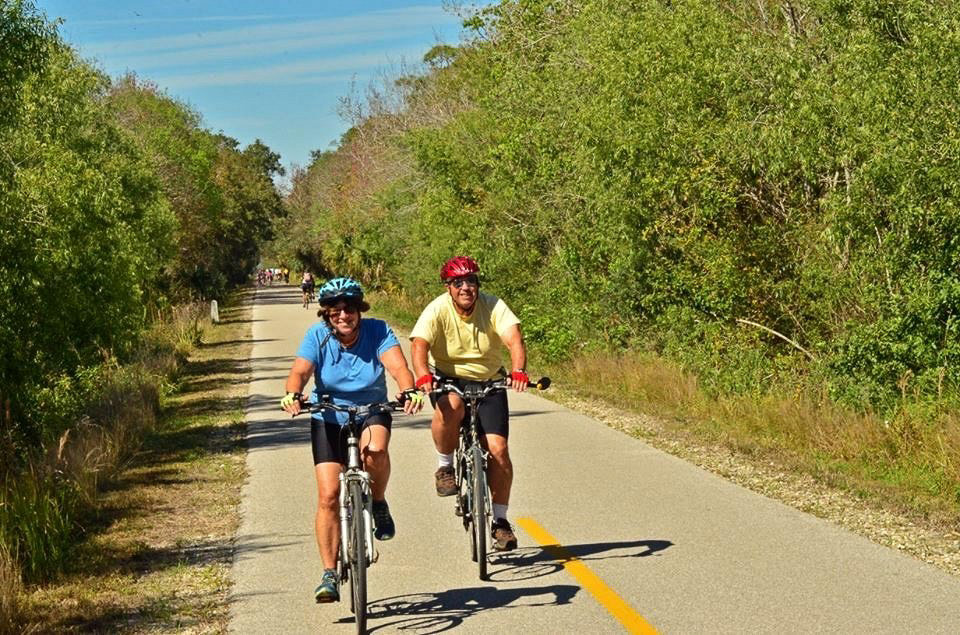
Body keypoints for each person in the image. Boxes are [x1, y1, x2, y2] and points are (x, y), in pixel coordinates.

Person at [281, 277, 423, 603]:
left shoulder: (378, 330)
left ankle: (379, 502)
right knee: (329, 495)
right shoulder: (317, 336)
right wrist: (293, 393)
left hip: (372, 410)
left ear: (360, 310)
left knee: (376, 451)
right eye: (335, 311)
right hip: (328, 416)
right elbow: (300, 371)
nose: (343, 316)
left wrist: (408, 388)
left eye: (349, 309)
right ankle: (329, 573)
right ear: (327, 314)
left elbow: (398, 367)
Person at [410, 256, 528, 552]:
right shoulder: (437, 309)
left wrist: (518, 371)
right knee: (452, 407)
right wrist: (423, 376)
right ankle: (445, 467)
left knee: (499, 451)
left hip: (489, 381)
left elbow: (514, 339)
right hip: (449, 380)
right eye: (458, 283)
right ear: (448, 287)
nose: (466, 288)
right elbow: (420, 344)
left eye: (471, 281)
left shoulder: (493, 305)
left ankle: (500, 521)